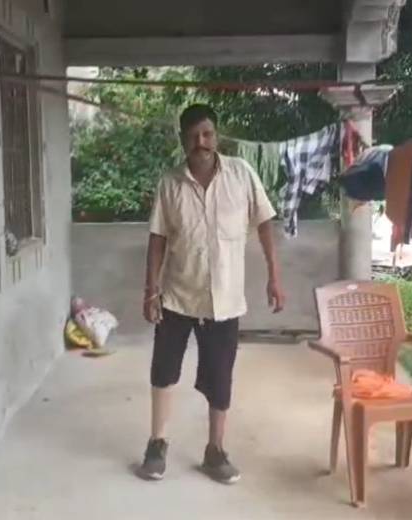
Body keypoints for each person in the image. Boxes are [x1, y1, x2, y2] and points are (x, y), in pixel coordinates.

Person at [138, 104, 285, 484]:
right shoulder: (170, 183)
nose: (200, 142)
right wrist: (151, 290)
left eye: (207, 134)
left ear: (216, 136)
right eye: (193, 136)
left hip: (225, 298)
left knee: (221, 377)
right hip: (177, 295)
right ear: (183, 140)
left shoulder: (241, 174)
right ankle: (157, 443)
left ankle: (215, 451)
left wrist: (274, 276)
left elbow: (265, 223)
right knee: (163, 370)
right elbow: (157, 238)